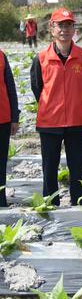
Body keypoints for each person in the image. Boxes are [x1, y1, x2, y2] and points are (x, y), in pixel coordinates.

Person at [30, 8, 82, 206]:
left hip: (76, 120)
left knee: (77, 167)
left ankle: (79, 203)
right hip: (50, 122)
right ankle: (50, 204)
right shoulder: (41, 58)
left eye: (68, 25)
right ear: (52, 28)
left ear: (74, 28)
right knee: (49, 167)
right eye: (60, 25)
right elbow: (37, 88)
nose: (64, 29)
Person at [0, 49, 19, 207]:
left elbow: (10, 87)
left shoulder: (1, 56)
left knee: (1, 163)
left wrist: (14, 117)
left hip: (2, 118)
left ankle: (1, 200)